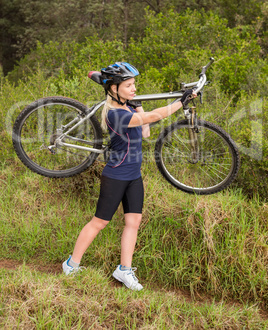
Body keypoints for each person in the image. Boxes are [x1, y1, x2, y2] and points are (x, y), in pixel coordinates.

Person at [62, 62, 196, 291]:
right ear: (114, 89)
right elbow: (155, 116)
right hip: (115, 175)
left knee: (133, 222)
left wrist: (139, 107)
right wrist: (179, 103)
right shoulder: (115, 115)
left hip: (134, 175)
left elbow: (145, 131)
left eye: (134, 84)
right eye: (129, 85)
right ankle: (71, 264)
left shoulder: (129, 109)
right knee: (100, 222)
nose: (134, 89)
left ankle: (124, 270)